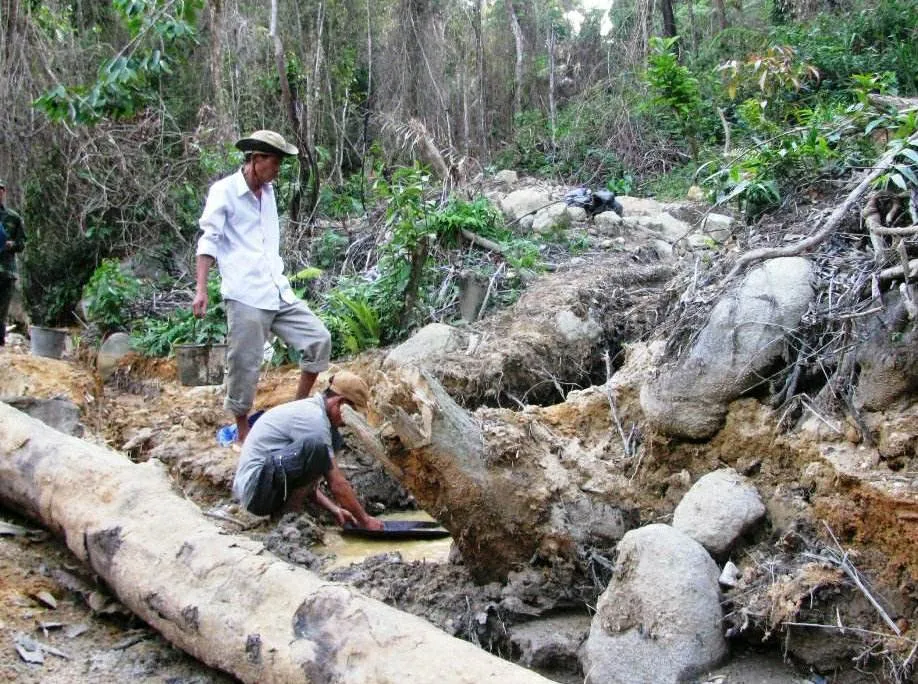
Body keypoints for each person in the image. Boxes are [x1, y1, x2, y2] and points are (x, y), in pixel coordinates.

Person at [193, 130, 331, 443]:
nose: (278, 170)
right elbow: (209, 240)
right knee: (245, 363)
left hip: (277, 290)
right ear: (256, 160)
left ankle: (297, 409)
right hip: (245, 293)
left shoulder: (267, 193)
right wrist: (201, 289)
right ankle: (243, 432)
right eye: (275, 163)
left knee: (318, 339)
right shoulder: (224, 192)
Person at [232, 370, 384, 530]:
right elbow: (337, 484)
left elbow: (306, 481)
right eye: (350, 412)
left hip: (265, 486)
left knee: (329, 443)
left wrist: (334, 509)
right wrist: (365, 521)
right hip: (255, 492)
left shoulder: (319, 418)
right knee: (317, 448)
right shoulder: (313, 418)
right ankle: (288, 515)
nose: (346, 422)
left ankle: (290, 514)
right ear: (339, 403)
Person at [0, 179, 26, 347]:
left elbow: (22, 243)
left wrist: (12, 244)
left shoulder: (13, 217)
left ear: (4, 193)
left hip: (6, 271)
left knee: (2, 308)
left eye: (0, 190)